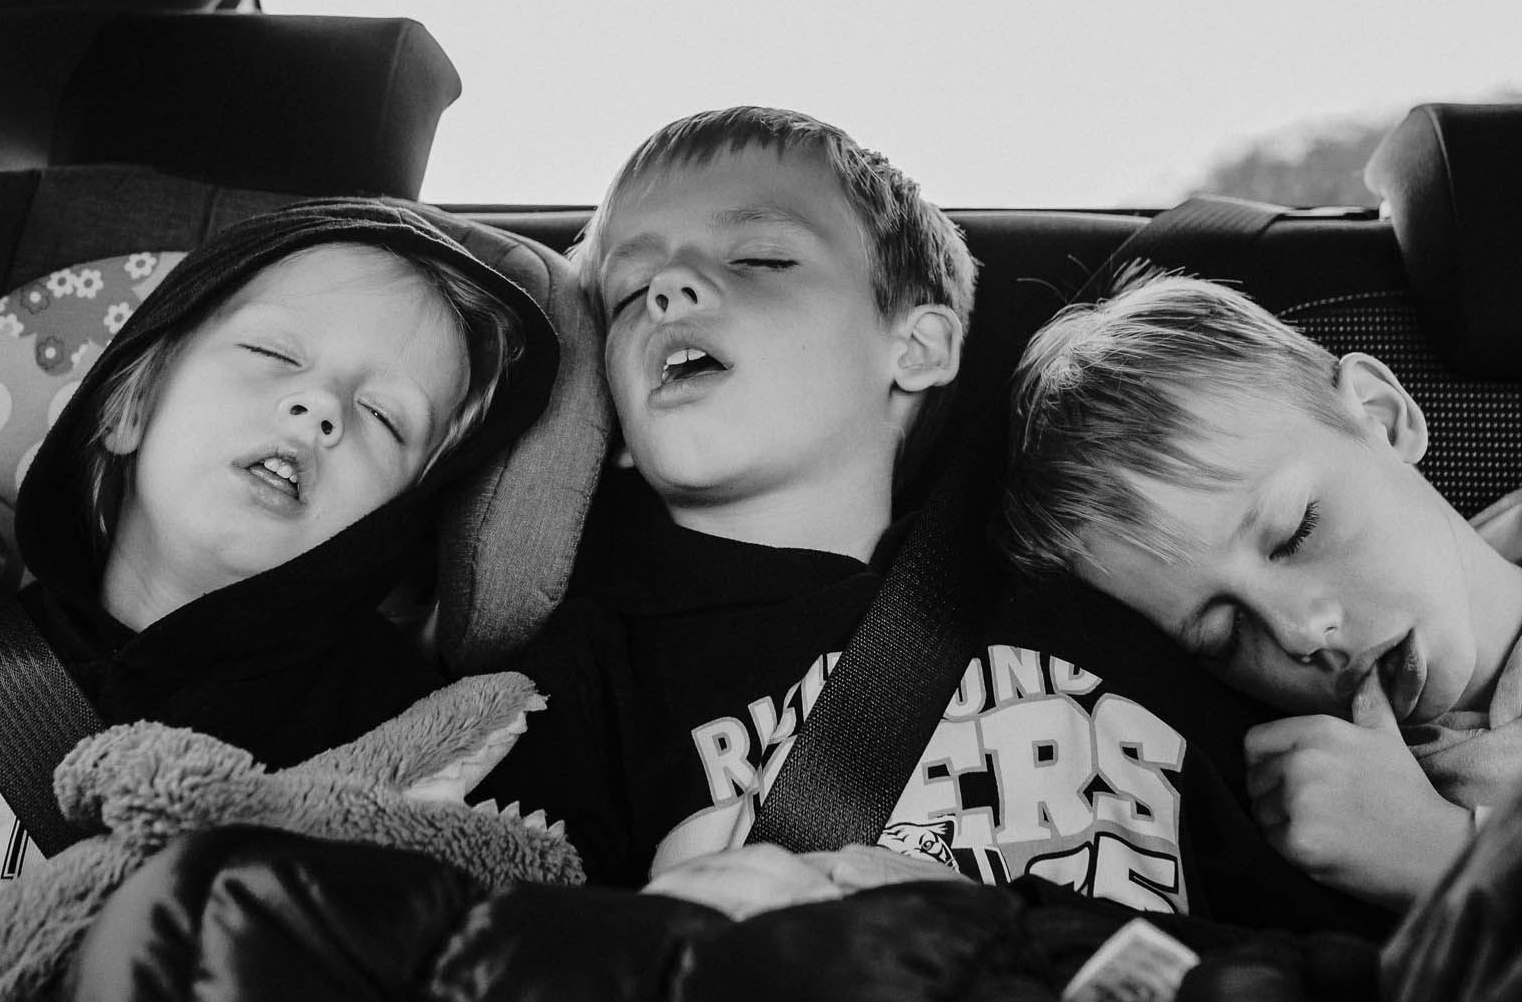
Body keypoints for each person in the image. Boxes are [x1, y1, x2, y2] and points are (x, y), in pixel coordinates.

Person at [484, 107, 1374, 932]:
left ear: (915, 347)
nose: (670, 287)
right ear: (621, 426)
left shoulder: (1098, 603)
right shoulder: (587, 675)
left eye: (757, 257)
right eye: (631, 288)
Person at [0, 198, 559, 999]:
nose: (319, 408)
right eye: (272, 351)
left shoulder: (413, 734)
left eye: (385, 417)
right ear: (133, 405)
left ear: (395, 525)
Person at [996, 269, 1522, 909]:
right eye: (1223, 637)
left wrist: (1446, 856)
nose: (1299, 631)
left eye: (1295, 531)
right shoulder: (1326, 818)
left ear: (1381, 414)